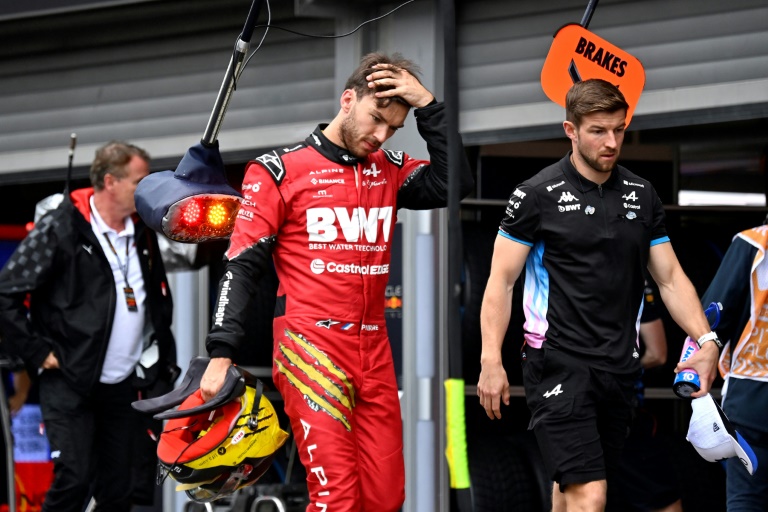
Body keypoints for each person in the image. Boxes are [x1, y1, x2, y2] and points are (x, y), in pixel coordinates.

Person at [198, 52, 473, 511]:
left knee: (386, 498)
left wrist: (428, 105)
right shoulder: (277, 170)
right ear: (349, 99)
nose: (380, 136)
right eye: (376, 120)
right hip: (309, 346)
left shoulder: (388, 168)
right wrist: (220, 353)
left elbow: (453, 182)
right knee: (337, 496)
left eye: (392, 129)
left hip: (374, 349)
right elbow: (242, 263)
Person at [476, 78, 719, 512]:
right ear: (570, 130)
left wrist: (706, 341)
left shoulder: (642, 195)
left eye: (619, 130)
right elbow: (501, 281)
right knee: (591, 494)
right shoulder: (534, 195)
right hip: (557, 363)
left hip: (620, 369)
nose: (611, 142)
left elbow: (670, 279)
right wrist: (490, 359)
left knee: (572, 490)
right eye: (597, 131)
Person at [0, 141, 177, 512]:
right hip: (70, 379)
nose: (146, 189)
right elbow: (5, 293)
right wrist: (37, 352)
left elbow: (157, 299)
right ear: (110, 182)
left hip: (124, 383)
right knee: (74, 479)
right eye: (138, 181)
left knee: (119, 488)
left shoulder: (143, 229)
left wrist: (164, 362)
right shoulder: (62, 224)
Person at [699, 219, 768, 511]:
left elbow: (709, 319)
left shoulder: (755, 241)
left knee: (746, 500)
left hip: (751, 393)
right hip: (750, 395)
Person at [610, 280, 684, 512]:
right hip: (621, 414)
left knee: (578, 493)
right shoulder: (635, 282)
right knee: (664, 502)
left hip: (569, 405)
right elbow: (658, 354)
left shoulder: (559, 271)